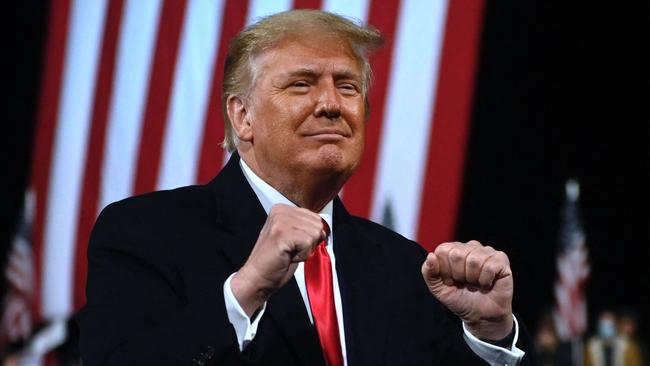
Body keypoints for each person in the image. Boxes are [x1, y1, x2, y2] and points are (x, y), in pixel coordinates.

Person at [77, 10, 533, 365]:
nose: (331, 104)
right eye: (301, 84)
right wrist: (246, 290)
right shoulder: (144, 233)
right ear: (243, 117)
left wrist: (490, 336)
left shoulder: (404, 267)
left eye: (348, 87)